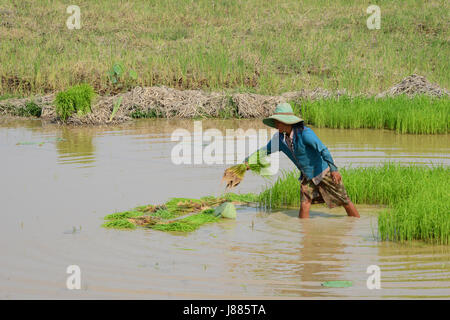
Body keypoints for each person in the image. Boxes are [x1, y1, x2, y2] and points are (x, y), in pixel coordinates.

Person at [245, 102, 360, 219]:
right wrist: (248, 162)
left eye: (278, 122)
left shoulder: (305, 134)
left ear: (287, 121)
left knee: (344, 200)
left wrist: (334, 170)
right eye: (275, 122)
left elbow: (323, 149)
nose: (276, 125)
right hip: (307, 176)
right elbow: (265, 151)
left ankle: (356, 223)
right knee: (305, 204)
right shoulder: (279, 139)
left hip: (324, 172)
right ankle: (304, 234)